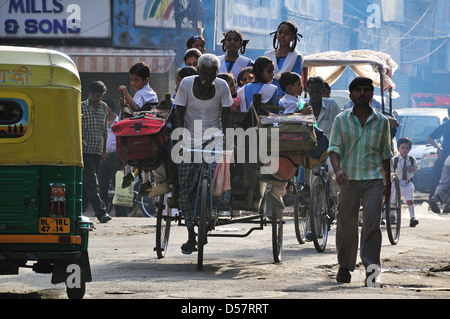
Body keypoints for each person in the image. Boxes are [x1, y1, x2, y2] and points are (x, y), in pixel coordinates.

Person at [328, 77, 392, 287]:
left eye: (366, 90)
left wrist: (388, 185)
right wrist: (337, 170)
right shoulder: (341, 119)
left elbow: (386, 155)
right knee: (346, 225)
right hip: (348, 180)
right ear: (351, 95)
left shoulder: (382, 121)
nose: (362, 93)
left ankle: (372, 274)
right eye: (358, 90)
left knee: (372, 224)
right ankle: (345, 266)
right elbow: (334, 149)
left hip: (374, 180)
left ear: (372, 95)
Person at [173, 54, 233, 254]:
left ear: (217, 73)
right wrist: (181, 139)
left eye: (213, 73)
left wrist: (229, 144)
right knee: (186, 184)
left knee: (217, 172)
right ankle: (191, 234)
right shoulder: (186, 84)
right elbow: (179, 113)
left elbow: (226, 116)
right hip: (190, 137)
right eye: (205, 73)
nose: (208, 77)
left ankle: (212, 209)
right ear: (198, 71)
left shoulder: (223, 86)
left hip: (214, 136)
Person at [118, 62, 169, 198]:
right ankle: (145, 182)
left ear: (146, 80)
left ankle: (129, 173)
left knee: (125, 140)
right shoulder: (150, 92)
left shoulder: (142, 93)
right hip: (148, 130)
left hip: (142, 129)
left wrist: (126, 94)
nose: (133, 83)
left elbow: (136, 108)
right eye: (131, 80)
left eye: (136, 80)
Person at [81, 81, 112, 223]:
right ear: (90, 93)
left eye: (101, 96)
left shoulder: (104, 107)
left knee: (87, 184)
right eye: (96, 95)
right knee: (91, 182)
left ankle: (78, 211)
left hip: (98, 150)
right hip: (85, 150)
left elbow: (105, 131)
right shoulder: (81, 106)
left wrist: (104, 151)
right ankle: (101, 212)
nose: (98, 98)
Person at [97, 99, 129, 217]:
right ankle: (102, 212)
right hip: (102, 157)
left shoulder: (119, 121)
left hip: (116, 157)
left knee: (119, 186)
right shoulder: (102, 121)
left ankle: (121, 213)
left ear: (109, 109)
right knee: (102, 186)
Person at [264, 21, 303, 98]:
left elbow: (295, 81)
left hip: (286, 98)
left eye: (287, 34)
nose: (282, 36)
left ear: (293, 37)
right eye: (280, 32)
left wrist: (284, 96)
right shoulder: (268, 55)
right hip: (266, 95)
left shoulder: (296, 57)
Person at [391, 137, 419, 227]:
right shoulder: (394, 160)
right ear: (398, 149)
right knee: (394, 201)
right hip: (396, 184)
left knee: (410, 200)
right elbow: (390, 171)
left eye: (407, 148)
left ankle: (412, 218)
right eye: (402, 148)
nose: (405, 150)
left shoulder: (411, 159)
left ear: (410, 149)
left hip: (407, 183)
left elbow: (417, 167)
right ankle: (392, 216)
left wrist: (413, 169)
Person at [427, 106, 450, 200]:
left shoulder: (445, 125)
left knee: (440, 179)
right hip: (444, 155)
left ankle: (434, 197)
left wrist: (439, 148)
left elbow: (430, 137)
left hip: (444, 155)